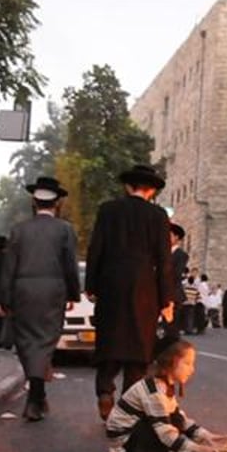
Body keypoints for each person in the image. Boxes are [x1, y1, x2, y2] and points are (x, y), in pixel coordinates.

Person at [85, 164, 175, 421]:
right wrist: (166, 298)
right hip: (144, 289)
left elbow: (96, 250)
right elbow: (164, 260)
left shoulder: (108, 210)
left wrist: (91, 286)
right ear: (152, 191)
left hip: (111, 285)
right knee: (138, 352)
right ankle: (126, 407)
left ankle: (104, 391)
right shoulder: (158, 216)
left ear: (127, 186)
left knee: (109, 344)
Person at [0, 176, 81, 421]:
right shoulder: (65, 230)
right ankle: (35, 397)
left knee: (26, 342)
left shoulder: (19, 230)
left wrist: (4, 298)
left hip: (23, 290)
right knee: (45, 342)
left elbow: (9, 267)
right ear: (58, 204)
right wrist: (73, 293)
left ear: (34, 202)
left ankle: (37, 393)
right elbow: (70, 266)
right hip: (52, 290)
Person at [96, 340, 227, 452]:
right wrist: (202, 450)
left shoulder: (164, 384)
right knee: (166, 426)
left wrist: (206, 436)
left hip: (130, 432)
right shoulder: (154, 391)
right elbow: (166, 433)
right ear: (170, 362)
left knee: (174, 419)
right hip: (124, 441)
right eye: (187, 363)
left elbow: (178, 416)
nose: (192, 369)